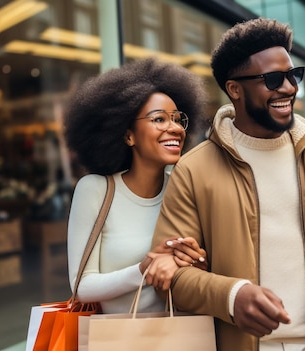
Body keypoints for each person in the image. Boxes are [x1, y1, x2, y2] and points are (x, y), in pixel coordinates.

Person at [150, 18, 305, 351]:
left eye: (292, 75)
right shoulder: (194, 170)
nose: (288, 88)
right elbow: (169, 274)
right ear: (235, 89)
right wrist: (230, 296)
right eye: (273, 79)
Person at [64, 58, 208, 314]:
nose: (174, 128)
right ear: (128, 135)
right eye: (159, 120)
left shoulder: (185, 187)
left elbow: (195, 273)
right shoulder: (96, 190)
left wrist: (197, 264)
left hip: (180, 336)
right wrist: (144, 268)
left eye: (177, 119)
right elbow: (81, 286)